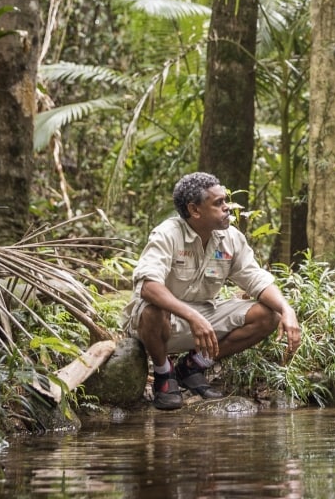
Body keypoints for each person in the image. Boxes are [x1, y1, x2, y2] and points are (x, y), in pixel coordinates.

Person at [124, 172, 301, 410]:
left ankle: (192, 366)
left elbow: (256, 279)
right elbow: (147, 286)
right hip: (159, 325)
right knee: (154, 308)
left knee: (270, 315)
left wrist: (287, 309)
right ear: (195, 210)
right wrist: (192, 316)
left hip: (205, 317)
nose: (227, 207)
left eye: (225, 200)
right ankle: (163, 374)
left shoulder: (231, 238)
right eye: (218, 203)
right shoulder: (167, 234)